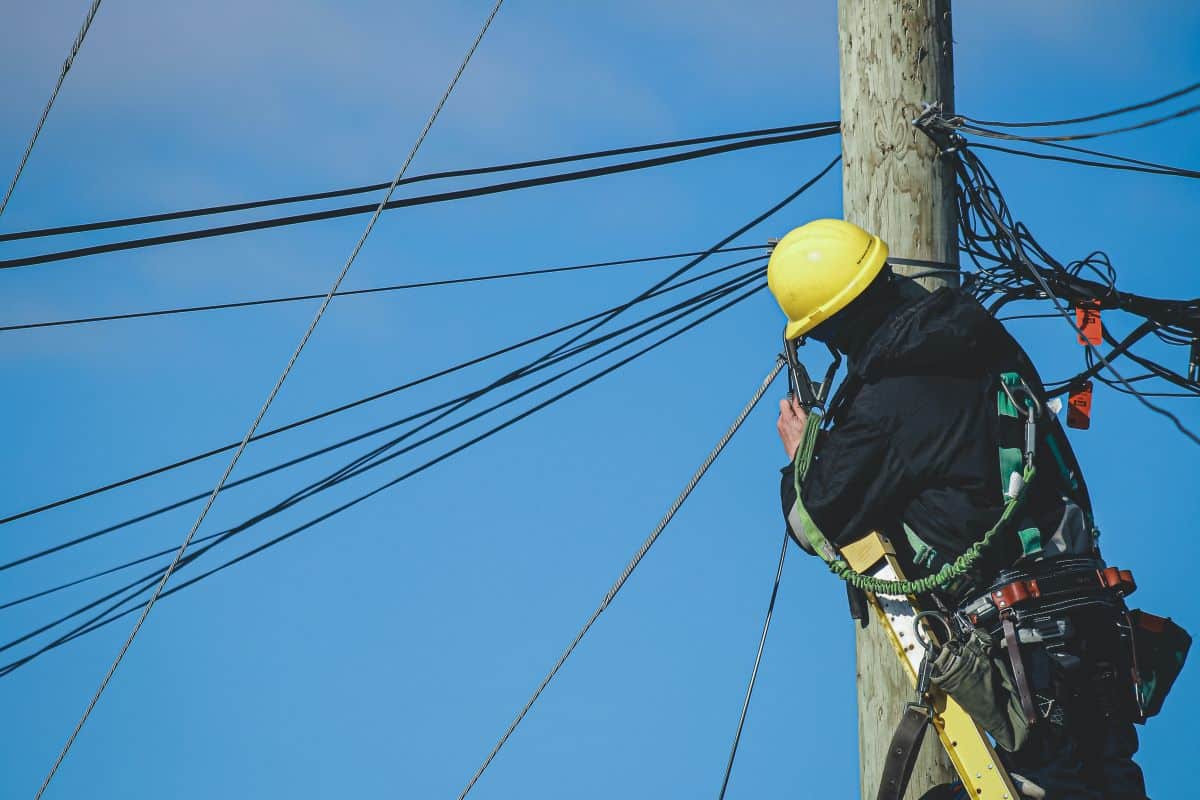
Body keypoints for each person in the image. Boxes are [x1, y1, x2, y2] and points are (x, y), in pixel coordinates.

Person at [769, 219, 1148, 799]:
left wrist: (802, 456)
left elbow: (816, 518)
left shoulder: (889, 396)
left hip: (1022, 647)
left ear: (827, 328)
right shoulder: (983, 340)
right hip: (1092, 618)